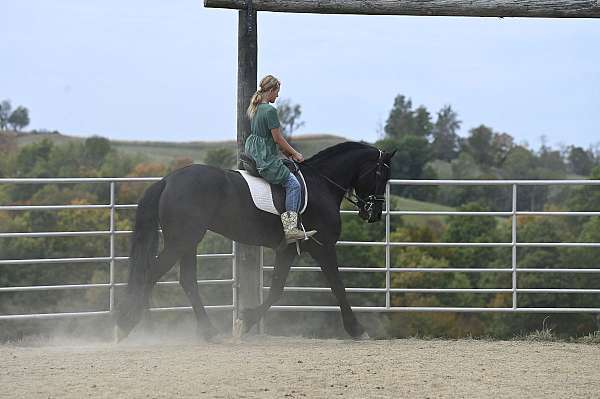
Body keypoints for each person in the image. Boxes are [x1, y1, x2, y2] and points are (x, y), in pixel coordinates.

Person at [245, 75, 316, 243]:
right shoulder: (270, 111)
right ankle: (291, 229)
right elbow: (277, 139)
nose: (277, 96)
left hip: (255, 152)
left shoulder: (255, 108)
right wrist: (295, 153)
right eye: (276, 92)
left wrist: (286, 153)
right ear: (270, 91)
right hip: (266, 158)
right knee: (293, 185)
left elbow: (267, 139)